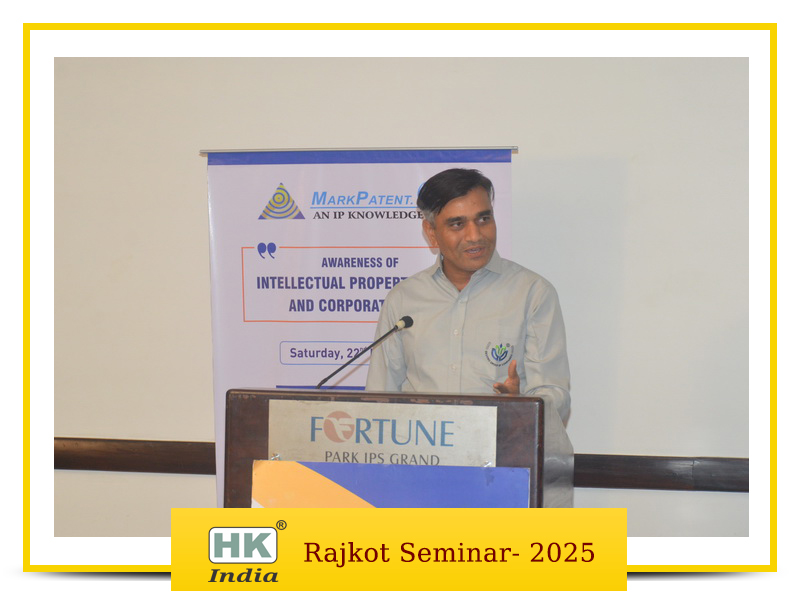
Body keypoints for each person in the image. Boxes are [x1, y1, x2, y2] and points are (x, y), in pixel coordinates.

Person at [365, 168, 571, 423]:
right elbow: (379, 399)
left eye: (484, 219)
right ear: (431, 232)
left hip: (504, 444)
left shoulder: (532, 293)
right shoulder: (404, 298)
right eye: (457, 224)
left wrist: (522, 405)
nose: (475, 236)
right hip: (421, 445)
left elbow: (556, 397)